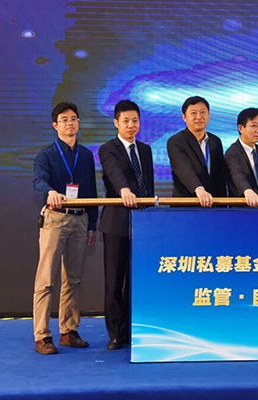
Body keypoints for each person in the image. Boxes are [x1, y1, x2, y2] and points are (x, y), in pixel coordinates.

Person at [32, 102, 97, 355]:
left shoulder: (86, 155)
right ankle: (42, 335)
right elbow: (39, 181)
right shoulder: (46, 155)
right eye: (64, 119)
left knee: (73, 279)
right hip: (55, 219)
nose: (70, 123)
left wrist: (92, 225)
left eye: (74, 119)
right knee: (46, 279)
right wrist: (50, 192)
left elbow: (91, 191)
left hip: (80, 220)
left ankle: (69, 331)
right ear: (55, 125)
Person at [98, 100, 154, 350]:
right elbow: (114, 173)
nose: (131, 125)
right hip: (116, 223)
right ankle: (115, 333)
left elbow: (148, 185)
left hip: (143, 223)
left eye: (135, 121)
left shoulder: (146, 149)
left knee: (136, 280)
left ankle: (132, 329)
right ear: (116, 123)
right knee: (114, 281)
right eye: (126, 121)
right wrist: (124, 190)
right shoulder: (108, 149)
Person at [167, 96, 226, 207]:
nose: (199, 117)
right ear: (184, 117)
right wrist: (199, 189)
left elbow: (220, 176)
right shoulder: (176, 141)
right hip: (187, 206)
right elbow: (183, 169)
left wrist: (223, 205)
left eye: (203, 112)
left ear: (208, 115)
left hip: (213, 206)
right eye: (193, 113)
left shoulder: (215, 141)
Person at [225, 108, 258, 207]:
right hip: (244, 209)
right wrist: (247, 190)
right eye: (253, 126)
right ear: (241, 128)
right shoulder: (232, 152)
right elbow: (237, 174)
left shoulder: (257, 149)